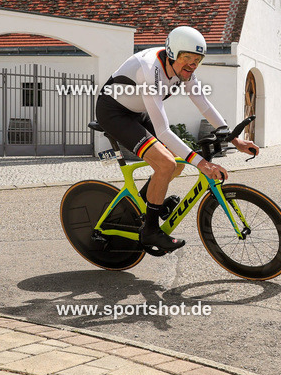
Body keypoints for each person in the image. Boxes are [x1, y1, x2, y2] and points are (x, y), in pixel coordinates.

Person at [94, 26, 259, 252]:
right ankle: (150, 231)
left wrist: (235, 140)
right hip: (113, 112)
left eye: (197, 60)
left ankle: (145, 206)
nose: (192, 65)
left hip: (138, 112)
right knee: (166, 163)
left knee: (177, 163)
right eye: (187, 58)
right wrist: (202, 164)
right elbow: (163, 131)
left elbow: (204, 104)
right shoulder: (150, 68)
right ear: (172, 53)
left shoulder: (184, 71)